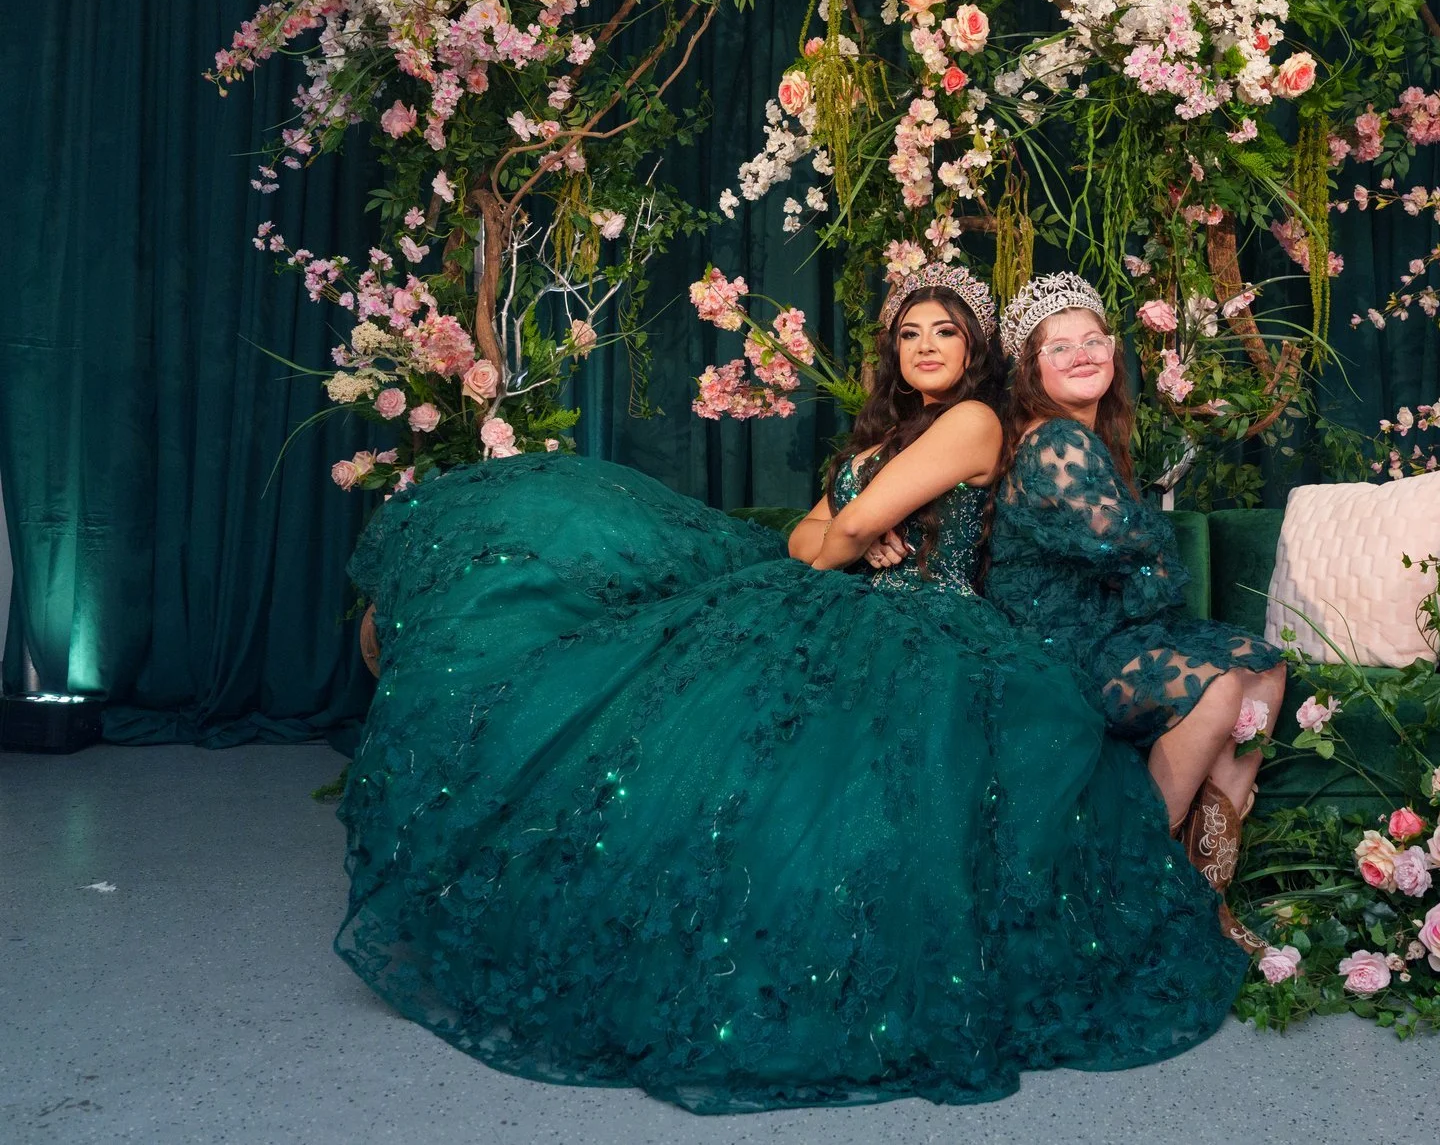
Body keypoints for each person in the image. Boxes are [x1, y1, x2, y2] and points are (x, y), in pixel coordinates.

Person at [335, 264, 1244, 1114]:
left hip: (935, 629)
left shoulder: (973, 423)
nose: (927, 347)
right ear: (894, 356)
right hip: (847, 604)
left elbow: (846, 526)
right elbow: (810, 542)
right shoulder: (882, 438)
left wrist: (854, 529)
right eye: (912, 335)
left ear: (978, 352)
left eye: (948, 332)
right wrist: (851, 530)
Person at [982, 273, 1288, 952]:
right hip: (1054, 654)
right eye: (1058, 347)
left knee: (1264, 669)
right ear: (1031, 367)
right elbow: (1134, 553)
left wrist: (1148, 561)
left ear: (1116, 350)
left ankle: (1203, 892)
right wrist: (1149, 557)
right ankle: (1136, 888)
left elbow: (1141, 563)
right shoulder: (1057, 444)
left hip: (1104, 633)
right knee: (1218, 689)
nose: (1081, 353)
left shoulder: (1093, 439)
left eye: (1093, 338)